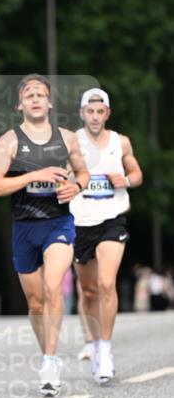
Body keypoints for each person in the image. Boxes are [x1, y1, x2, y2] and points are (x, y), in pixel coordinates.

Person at [0, 75, 89, 397]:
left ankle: (50, 360)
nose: (35, 99)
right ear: (20, 104)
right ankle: (47, 351)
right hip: (24, 226)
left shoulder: (68, 139)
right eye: (29, 95)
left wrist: (78, 185)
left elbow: (83, 172)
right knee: (35, 302)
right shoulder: (9, 141)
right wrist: (34, 175)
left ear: (49, 103)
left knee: (52, 285)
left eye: (40, 94)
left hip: (58, 224)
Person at [70, 88, 143, 382]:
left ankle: (105, 349)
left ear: (107, 114)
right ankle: (92, 339)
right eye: (90, 111)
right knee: (87, 290)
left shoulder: (120, 142)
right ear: (82, 113)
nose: (95, 116)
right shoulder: (71, 142)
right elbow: (62, 174)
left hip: (112, 220)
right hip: (80, 221)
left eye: (101, 112)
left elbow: (137, 174)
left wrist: (124, 179)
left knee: (106, 282)